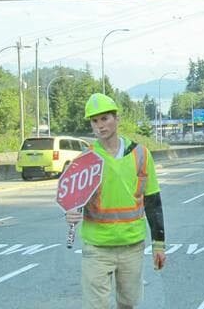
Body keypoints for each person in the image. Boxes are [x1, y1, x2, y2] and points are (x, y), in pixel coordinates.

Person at [66, 93, 166, 309]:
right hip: (97, 247)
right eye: (94, 121)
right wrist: (70, 212)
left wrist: (159, 244)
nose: (100, 125)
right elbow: (73, 200)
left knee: (128, 304)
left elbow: (152, 201)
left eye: (105, 118)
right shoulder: (85, 160)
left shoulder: (140, 154)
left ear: (117, 118)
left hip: (131, 245)